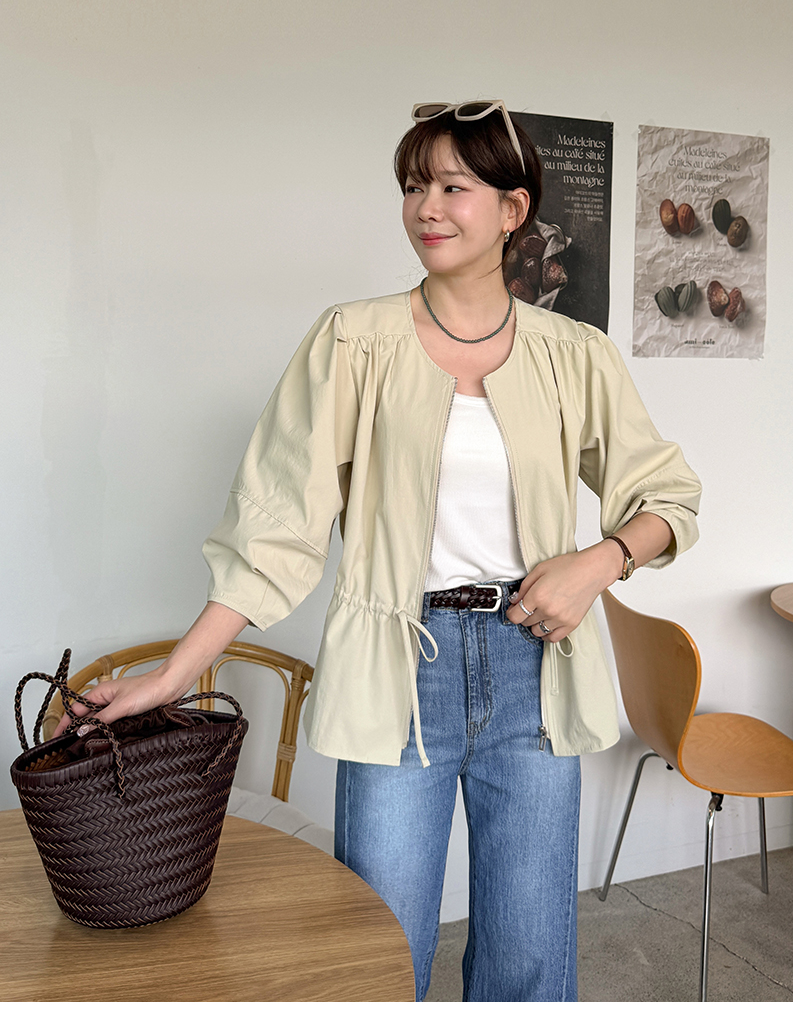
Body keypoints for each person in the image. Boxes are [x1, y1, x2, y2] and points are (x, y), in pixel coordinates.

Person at [56, 99, 701, 1002]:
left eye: (452, 186)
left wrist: (598, 563)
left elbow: (668, 498)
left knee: (529, 960)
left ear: (512, 210)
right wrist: (174, 675)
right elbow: (274, 525)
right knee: (380, 954)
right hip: (402, 670)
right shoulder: (353, 340)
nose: (426, 208)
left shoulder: (575, 355)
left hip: (536, 670)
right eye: (412, 186)